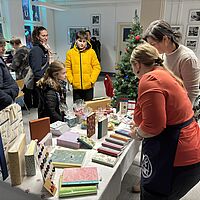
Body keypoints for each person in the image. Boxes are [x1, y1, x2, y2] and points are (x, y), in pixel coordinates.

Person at [129, 42, 200, 200]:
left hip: (176, 154)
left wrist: (137, 133)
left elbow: (154, 126)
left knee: (155, 195)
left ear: (137, 64)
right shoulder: (164, 73)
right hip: (189, 148)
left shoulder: (149, 80)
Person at [143, 20, 200, 121]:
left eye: (153, 44)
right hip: (167, 106)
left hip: (180, 112)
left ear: (165, 39)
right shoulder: (161, 54)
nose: (151, 48)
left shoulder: (187, 58)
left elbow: (192, 93)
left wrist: (181, 117)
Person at [65, 30, 101, 102]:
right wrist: (71, 80)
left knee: (89, 108)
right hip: (76, 87)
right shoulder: (70, 53)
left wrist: (92, 80)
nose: (82, 43)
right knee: (78, 109)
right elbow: (67, 68)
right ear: (76, 41)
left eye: (84, 41)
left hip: (89, 86)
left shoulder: (91, 52)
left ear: (87, 41)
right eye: (80, 41)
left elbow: (97, 67)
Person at [29, 26, 49, 108]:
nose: (46, 38)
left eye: (47, 35)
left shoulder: (44, 48)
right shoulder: (36, 50)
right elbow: (37, 72)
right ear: (37, 37)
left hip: (46, 81)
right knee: (44, 107)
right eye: (43, 36)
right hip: (41, 84)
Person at [0, 37, 19, 110]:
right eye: (1, 46)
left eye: (4, 46)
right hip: (6, 103)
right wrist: (9, 100)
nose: (4, 49)